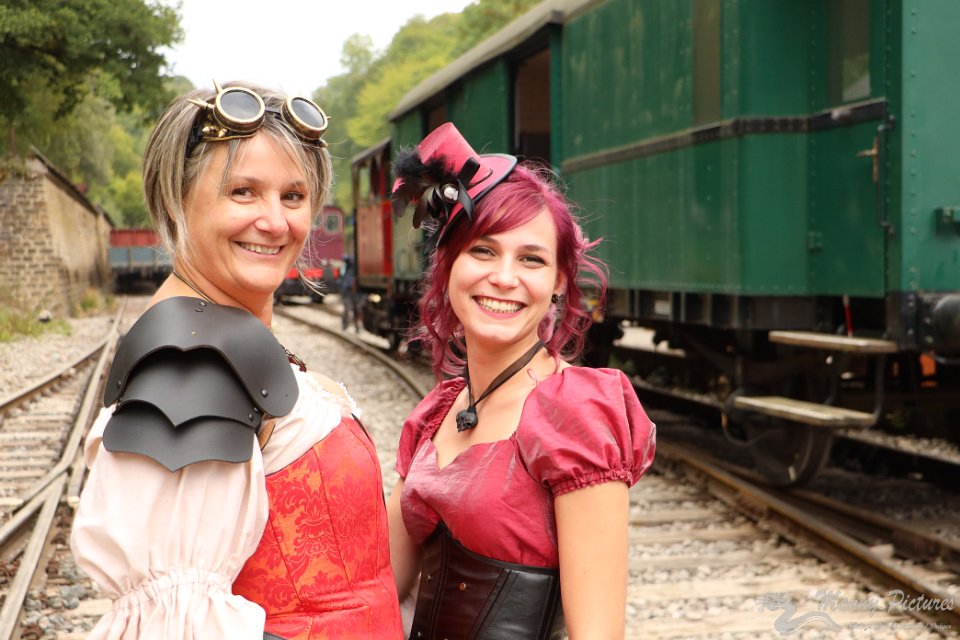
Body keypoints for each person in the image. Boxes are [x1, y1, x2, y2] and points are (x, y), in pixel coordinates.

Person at [70, 81, 403, 639]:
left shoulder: (227, 338)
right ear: (177, 199)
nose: (275, 222)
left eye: (293, 196)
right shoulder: (189, 368)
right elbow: (174, 624)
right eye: (243, 192)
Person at [385, 122, 657, 639]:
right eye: (483, 251)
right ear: (447, 264)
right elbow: (378, 585)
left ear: (558, 282)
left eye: (531, 259)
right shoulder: (437, 412)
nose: (505, 278)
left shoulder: (574, 413)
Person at [339, 254, 360, 332]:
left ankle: (356, 327)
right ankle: (345, 325)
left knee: (355, 309)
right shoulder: (349, 265)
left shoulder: (355, 268)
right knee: (347, 308)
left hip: (354, 291)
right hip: (347, 290)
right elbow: (344, 257)